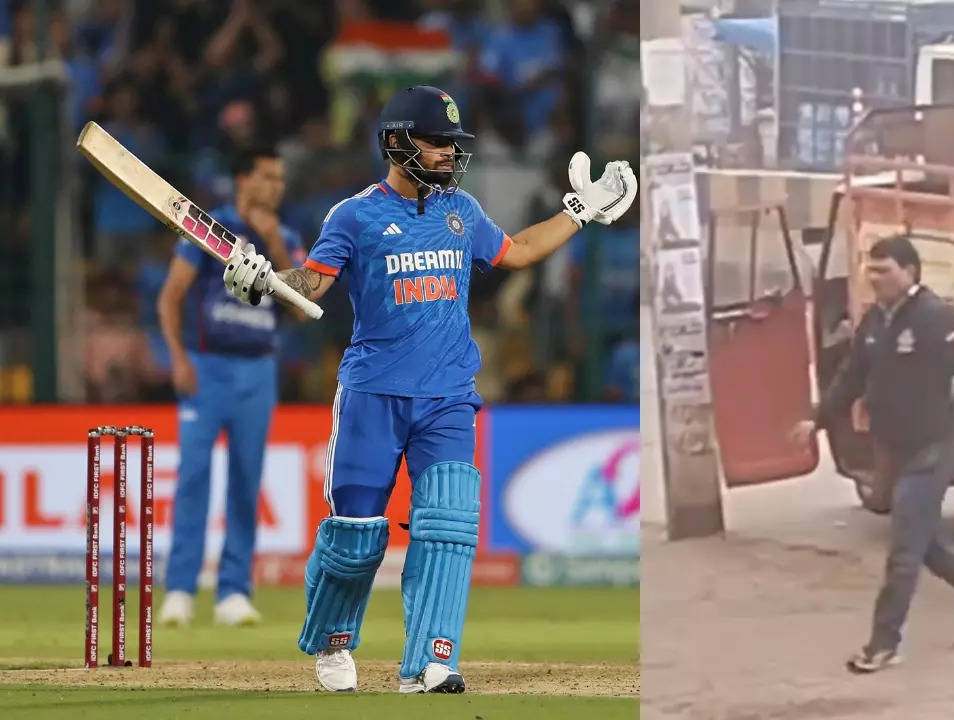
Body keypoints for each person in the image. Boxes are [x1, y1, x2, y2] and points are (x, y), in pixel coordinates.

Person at [218, 85, 636, 693]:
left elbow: (517, 252)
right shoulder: (354, 216)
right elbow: (309, 284)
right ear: (395, 142)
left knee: (448, 523)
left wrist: (581, 211)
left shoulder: (459, 211)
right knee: (356, 535)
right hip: (372, 395)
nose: (447, 153)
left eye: (451, 143)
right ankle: (334, 645)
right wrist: (263, 281)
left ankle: (432, 660)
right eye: (435, 141)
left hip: (447, 397)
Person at [789, 235, 954, 674]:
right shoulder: (874, 322)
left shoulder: (936, 317)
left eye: (884, 270)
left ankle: (882, 644)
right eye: (871, 270)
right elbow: (851, 378)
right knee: (926, 542)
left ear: (909, 271)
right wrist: (816, 419)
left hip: (933, 446)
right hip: (894, 449)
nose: (875, 278)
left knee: (904, 551)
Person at [156, 145, 304, 627]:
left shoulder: (286, 237)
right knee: (194, 476)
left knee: (246, 480)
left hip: (257, 371)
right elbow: (170, 296)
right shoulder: (209, 228)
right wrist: (178, 357)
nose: (275, 188)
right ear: (243, 179)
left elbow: (301, 308)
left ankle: (233, 594)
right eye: (267, 176)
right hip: (207, 367)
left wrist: (274, 245)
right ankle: (179, 590)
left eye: (281, 180)